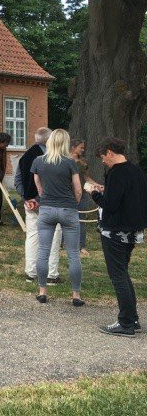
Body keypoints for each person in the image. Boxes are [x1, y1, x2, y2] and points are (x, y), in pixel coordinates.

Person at [91, 137, 147, 336]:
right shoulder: (136, 171)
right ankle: (133, 319)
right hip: (133, 231)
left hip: (114, 231)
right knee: (123, 273)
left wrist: (95, 195)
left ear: (110, 152)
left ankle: (126, 323)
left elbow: (111, 205)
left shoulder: (115, 173)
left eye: (102, 157)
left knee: (118, 276)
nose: (102, 161)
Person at [30, 129, 83, 306]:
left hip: (46, 209)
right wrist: (75, 202)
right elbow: (77, 188)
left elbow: (37, 183)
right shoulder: (70, 162)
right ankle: (76, 295)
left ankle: (42, 291)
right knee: (73, 254)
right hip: (68, 208)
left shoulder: (38, 161)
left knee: (43, 251)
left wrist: (43, 195)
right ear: (66, 143)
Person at [16, 127, 62, 284]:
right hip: (48, 203)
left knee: (32, 236)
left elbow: (18, 181)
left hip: (30, 203)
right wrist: (38, 199)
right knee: (54, 236)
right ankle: (51, 274)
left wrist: (26, 199)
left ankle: (31, 272)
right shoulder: (51, 158)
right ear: (49, 140)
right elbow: (52, 183)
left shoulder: (24, 157)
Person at [69, 139, 99, 257]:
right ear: (73, 147)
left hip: (82, 195)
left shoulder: (83, 161)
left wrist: (96, 185)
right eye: (81, 147)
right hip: (68, 195)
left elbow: (86, 177)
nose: (83, 150)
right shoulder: (65, 160)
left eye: (83, 148)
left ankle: (81, 246)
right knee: (65, 220)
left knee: (82, 220)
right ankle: (63, 243)